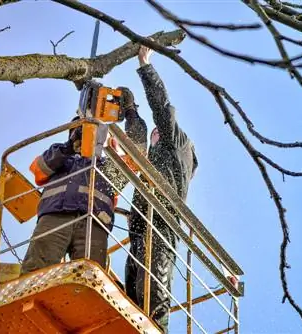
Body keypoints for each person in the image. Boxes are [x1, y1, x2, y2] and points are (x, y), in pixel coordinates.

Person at [20, 88, 147, 275]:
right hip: (56, 216)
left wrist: (131, 112)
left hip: (94, 221)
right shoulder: (60, 156)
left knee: (90, 278)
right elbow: (39, 169)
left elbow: (138, 152)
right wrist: (69, 148)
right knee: (36, 272)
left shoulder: (109, 168)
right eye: (78, 130)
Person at [124, 44, 199, 332]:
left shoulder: (177, 144)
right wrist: (130, 112)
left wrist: (145, 66)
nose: (154, 133)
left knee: (153, 293)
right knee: (131, 288)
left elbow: (162, 110)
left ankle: (158, 327)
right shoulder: (156, 160)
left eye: (158, 132)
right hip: (141, 226)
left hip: (161, 225)